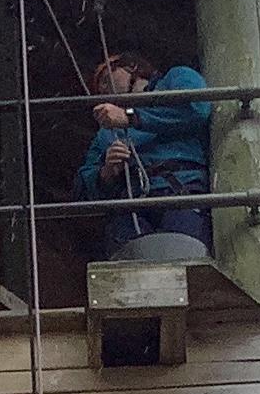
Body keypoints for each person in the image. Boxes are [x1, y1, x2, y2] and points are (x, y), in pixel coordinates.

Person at [72, 51, 213, 257]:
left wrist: (131, 117)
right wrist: (106, 172)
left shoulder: (174, 79)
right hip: (131, 206)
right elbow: (82, 188)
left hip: (180, 191)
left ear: (132, 67)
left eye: (106, 77)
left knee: (186, 257)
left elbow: (196, 107)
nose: (103, 89)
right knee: (129, 263)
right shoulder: (107, 133)